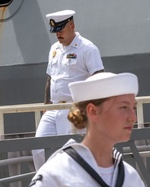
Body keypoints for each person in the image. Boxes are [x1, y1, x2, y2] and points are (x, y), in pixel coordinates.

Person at [32, 10, 104, 170]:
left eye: (61, 30)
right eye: (55, 31)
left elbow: (98, 77)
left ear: (72, 25)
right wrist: (46, 105)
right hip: (53, 108)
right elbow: (51, 78)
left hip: (74, 108)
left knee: (69, 152)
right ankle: (45, 185)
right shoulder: (54, 49)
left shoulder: (87, 49)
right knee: (38, 148)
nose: (58, 34)